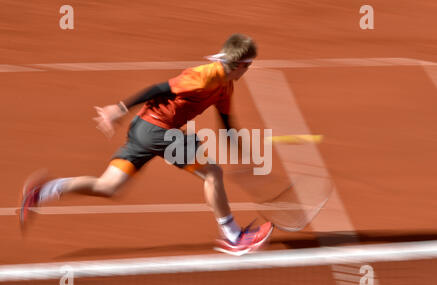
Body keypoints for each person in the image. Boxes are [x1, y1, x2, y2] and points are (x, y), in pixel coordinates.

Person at [20, 33, 273, 256]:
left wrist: (244, 156)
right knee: (212, 172)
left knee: (109, 187)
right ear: (239, 64)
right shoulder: (205, 76)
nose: (248, 70)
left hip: (144, 130)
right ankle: (233, 238)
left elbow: (227, 123)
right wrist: (119, 109)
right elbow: (159, 88)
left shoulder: (225, 86)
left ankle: (44, 191)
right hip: (157, 131)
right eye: (248, 66)